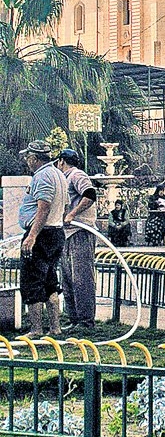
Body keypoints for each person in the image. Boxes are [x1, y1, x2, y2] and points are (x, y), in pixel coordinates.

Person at [18, 140, 68, 338]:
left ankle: (36, 329)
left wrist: (32, 236)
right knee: (50, 280)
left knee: (32, 281)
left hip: (42, 234)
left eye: (28, 157)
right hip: (55, 232)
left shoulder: (43, 176)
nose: (26, 161)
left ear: (34, 158)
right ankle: (55, 327)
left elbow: (43, 208)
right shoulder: (58, 174)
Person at [57, 148, 98, 330]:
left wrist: (72, 214)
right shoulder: (64, 179)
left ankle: (86, 321)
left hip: (80, 232)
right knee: (67, 278)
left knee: (82, 278)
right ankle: (73, 319)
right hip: (66, 233)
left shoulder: (77, 175)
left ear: (62, 161)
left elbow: (90, 195)